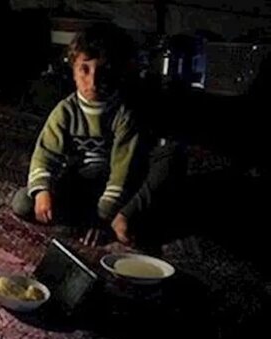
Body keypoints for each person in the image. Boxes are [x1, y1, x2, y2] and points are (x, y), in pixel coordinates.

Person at [11, 23, 184, 247]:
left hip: (123, 183)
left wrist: (102, 218)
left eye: (103, 70)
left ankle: (121, 217)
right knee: (23, 202)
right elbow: (45, 154)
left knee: (170, 157)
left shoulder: (124, 114)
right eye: (84, 69)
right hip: (84, 181)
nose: (92, 81)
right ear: (73, 70)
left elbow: (123, 171)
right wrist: (42, 192)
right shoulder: (65, 111)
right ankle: (108, 220)